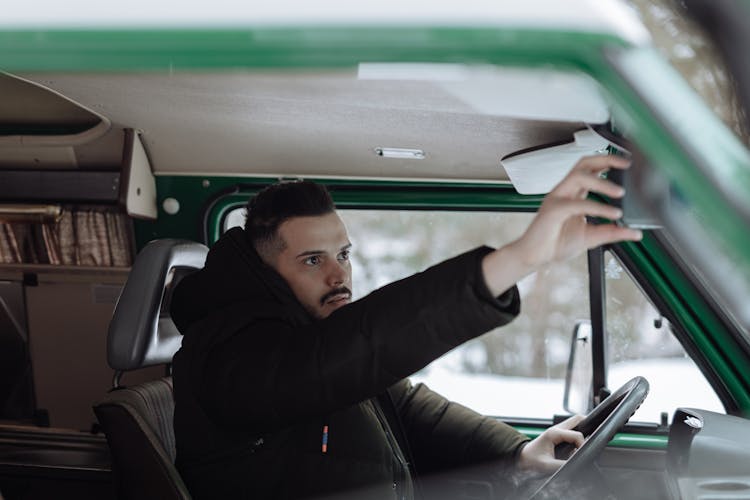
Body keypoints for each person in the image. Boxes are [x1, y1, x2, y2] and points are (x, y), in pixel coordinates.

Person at [170, 155, 642, 499]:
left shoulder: (308, 334)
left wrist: (515, 452)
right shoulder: (229, 357)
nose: (338, 276)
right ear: (267, 270)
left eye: (344, 255)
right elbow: (348, 352)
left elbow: (408, 406)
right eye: (313, 260)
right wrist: (517, 260)